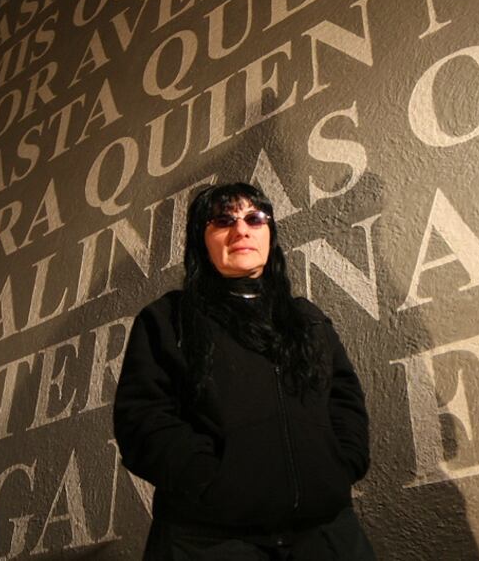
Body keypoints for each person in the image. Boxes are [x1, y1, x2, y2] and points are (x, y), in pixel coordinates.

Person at [113, 182, 375, 560]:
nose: (241, 230)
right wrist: (213, 482)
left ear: (269, 232)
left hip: (327, 537)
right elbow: (142, 420)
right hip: (209, 543)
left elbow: (345, 399)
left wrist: (339, 465)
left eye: (254, 218)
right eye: (223, 220)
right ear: (202, 240)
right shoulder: (167, 319)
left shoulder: (307, 320)